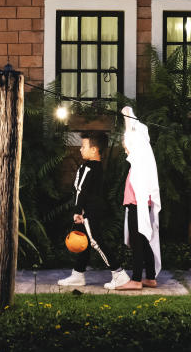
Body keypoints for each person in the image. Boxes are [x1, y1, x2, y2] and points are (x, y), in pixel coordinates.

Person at [58, 131, 129, 288]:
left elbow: (81, 190)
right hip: (90, 209)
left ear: (94, 150)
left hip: (88, 211)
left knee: (95, 241)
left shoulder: (89, 167)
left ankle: (119, 274)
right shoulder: (97, 167)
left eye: (83, 146)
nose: (80, 149)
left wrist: (78, 211)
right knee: (84, 240)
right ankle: (78, 274)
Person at [109, 106, 162, 291]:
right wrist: (127, 119)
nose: (124, 146)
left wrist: (127, 117)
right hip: (137, 205)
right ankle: (151, 278)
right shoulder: (138, 162)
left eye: (125, 143)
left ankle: (137, 279)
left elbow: (131, 133)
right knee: (143, 240)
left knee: (138, 243)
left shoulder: (139, 163)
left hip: (137, 206)